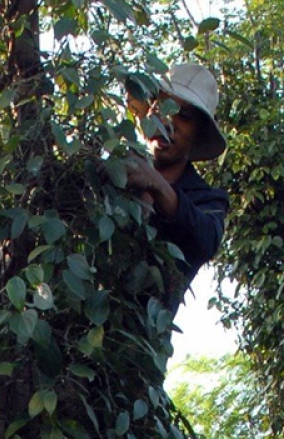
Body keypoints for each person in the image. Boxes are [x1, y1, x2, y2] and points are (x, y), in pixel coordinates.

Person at [120, 62, 230, 315]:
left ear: (198, 133)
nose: (168, 121)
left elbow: (205, 239)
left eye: (184, 115)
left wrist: (157, 186)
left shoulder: (207, 201)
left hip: (137, 346)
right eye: (160, 107)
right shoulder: (114, 174)